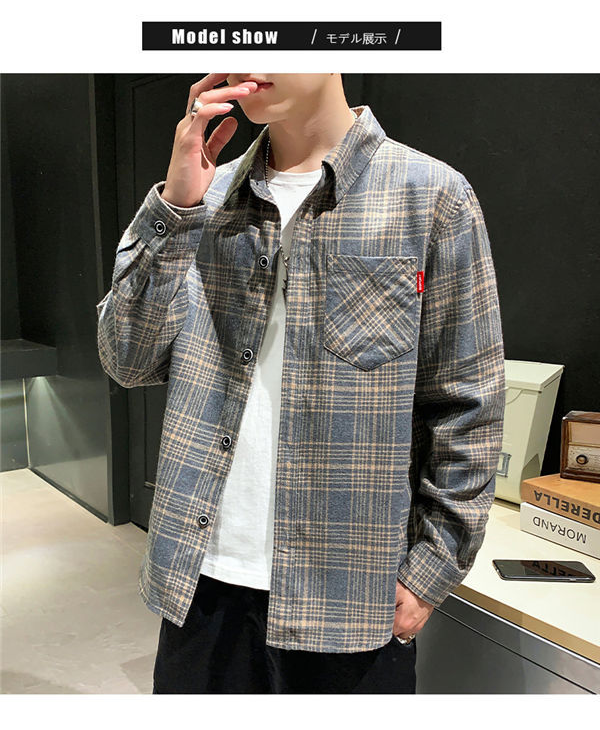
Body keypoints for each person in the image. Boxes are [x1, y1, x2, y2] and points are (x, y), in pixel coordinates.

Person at [96, 73, 506, 693]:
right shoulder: (202, 197)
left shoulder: (430, 196)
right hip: (202, 582)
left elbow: (469, 403)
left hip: (351, 599)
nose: (246, 59)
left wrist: (430, 571)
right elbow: (126, 359)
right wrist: (175, 211)